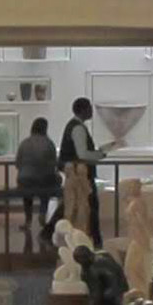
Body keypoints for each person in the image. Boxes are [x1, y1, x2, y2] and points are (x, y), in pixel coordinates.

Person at [10, 114, 60, 253]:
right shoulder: (48, 143)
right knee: (49, 186)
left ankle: (28, 220)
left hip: (25, 179)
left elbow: (18, 163)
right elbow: (53, 165)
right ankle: (43, 213)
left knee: (27, 194)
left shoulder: (25, 143)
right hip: (44, 179)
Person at [57, 95, 101, 245]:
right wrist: (99, 154)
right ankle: (88, 242)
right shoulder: (78, 128)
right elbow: (82, 154)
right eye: (89, 107)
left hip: (75, 173)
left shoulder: (75, 126)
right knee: (84, 208)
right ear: (83, 110)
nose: (91, 111)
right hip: (79, 175)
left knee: (77, 208)